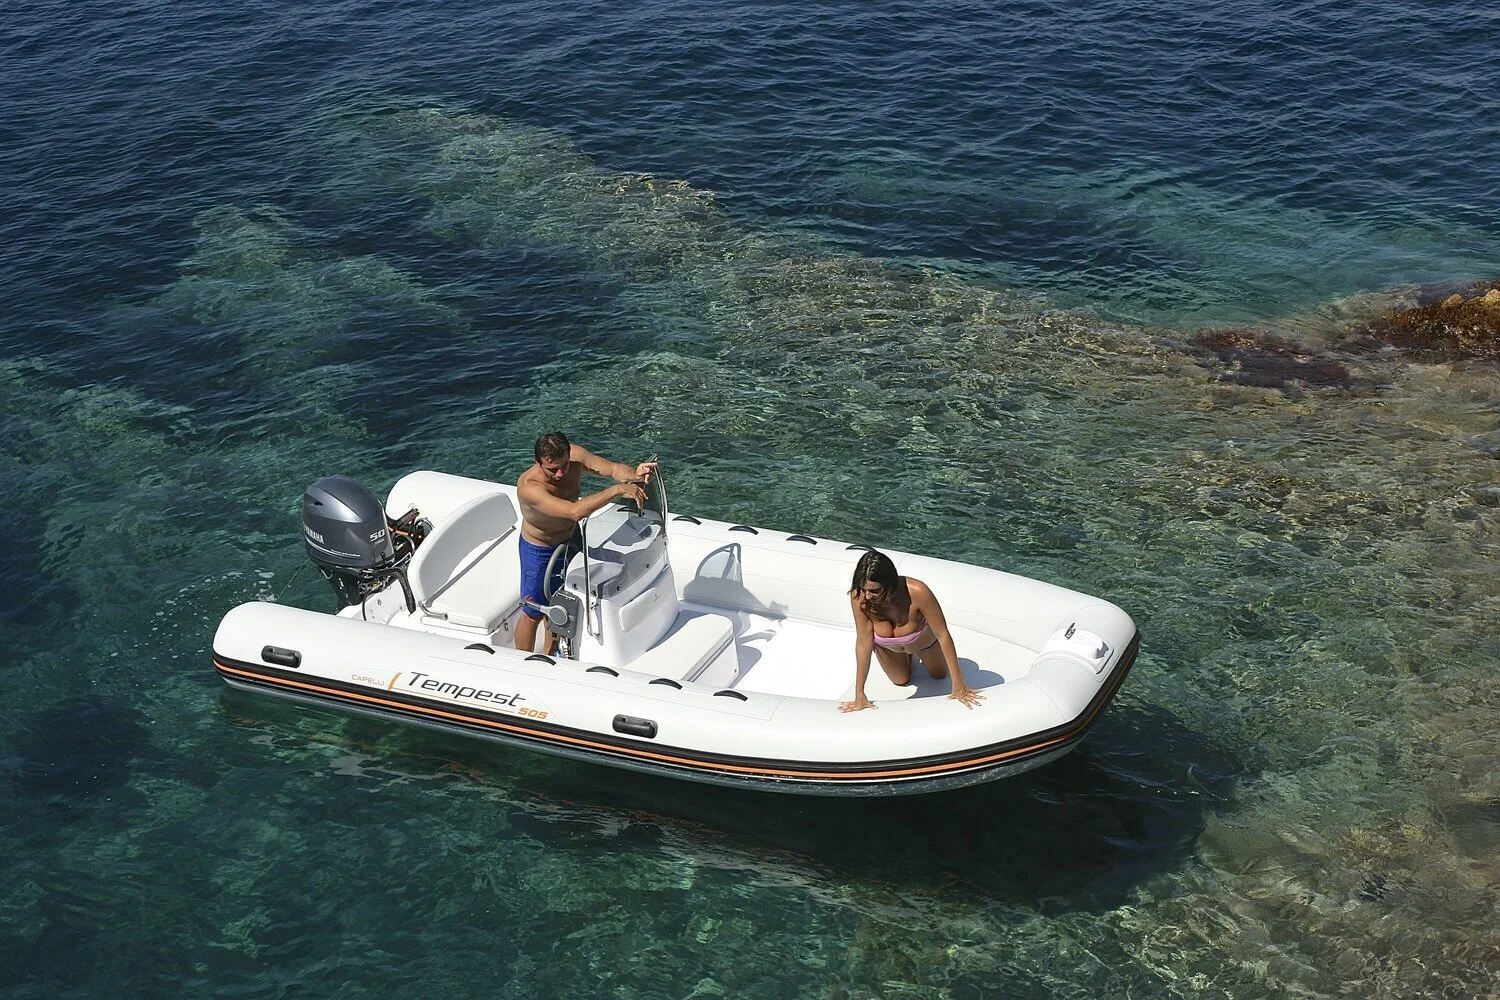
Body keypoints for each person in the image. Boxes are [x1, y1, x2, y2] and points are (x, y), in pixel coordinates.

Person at [514, 431, 656, 653]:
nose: (560, 473)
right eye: (552, 469)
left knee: (563, 602)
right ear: (538, 462)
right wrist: (617, 490)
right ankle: (521, 662)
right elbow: (574, 511)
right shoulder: (529, 487)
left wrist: (635, 474)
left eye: (564, 465)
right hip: (540, 550)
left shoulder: (577, 457)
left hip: (572, 539)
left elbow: (613, 470)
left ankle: (551, 655)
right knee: (534, 611)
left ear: (569, 455)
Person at [840, 548, 984, 712]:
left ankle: (914, 654)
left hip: (924, 644)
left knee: (939, 675)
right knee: (900, 681)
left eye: (874, 590)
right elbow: (863, 642)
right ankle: (907, 657)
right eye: (864, 589)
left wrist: (959, 685)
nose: (867, 596)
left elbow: (942, 634)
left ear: (890, 583)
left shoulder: (918, 592)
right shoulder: (859, 597)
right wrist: (859, 694)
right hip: (889, 648)